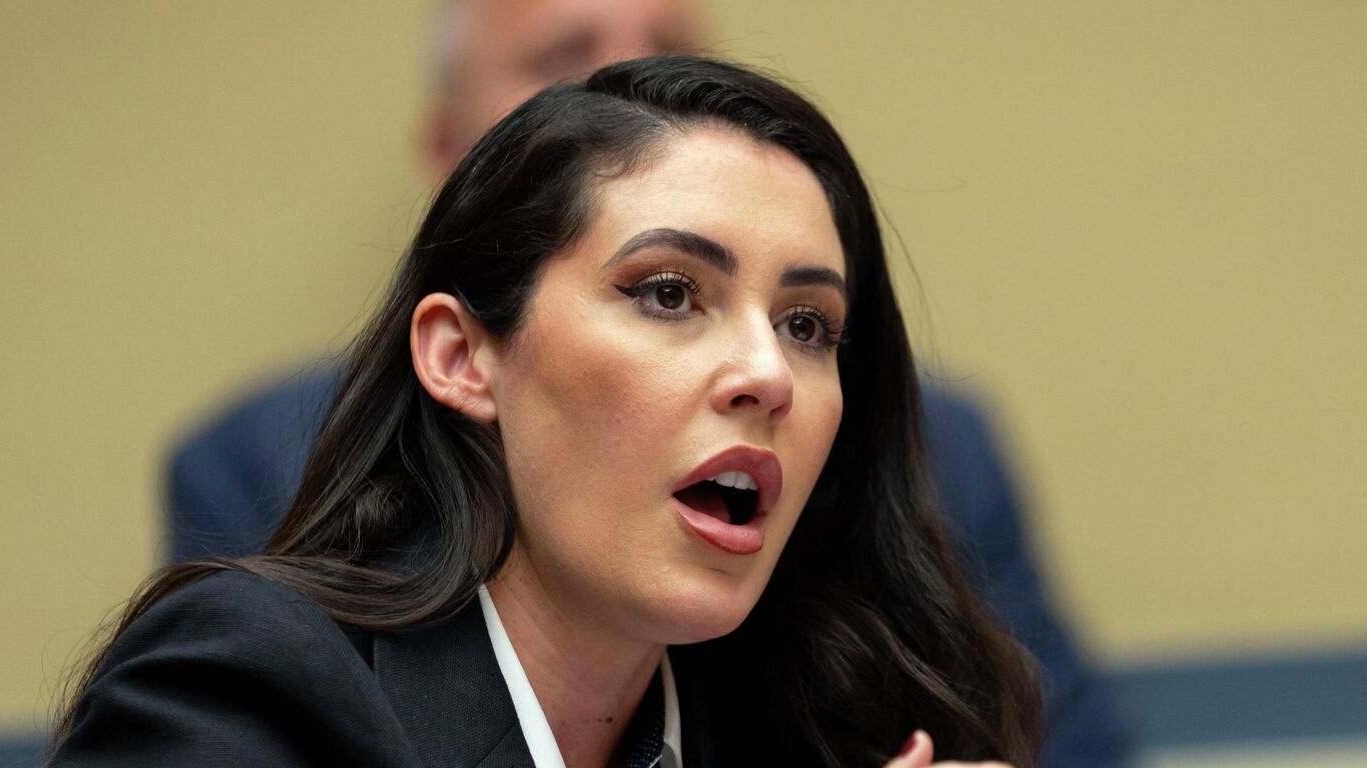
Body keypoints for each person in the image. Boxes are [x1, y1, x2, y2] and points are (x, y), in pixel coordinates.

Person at [167, 2, 1136, 764]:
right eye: (669, 293)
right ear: (463, 358)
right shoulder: (250, 689)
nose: (768, 374)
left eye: (809, 326)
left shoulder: (828, 720)